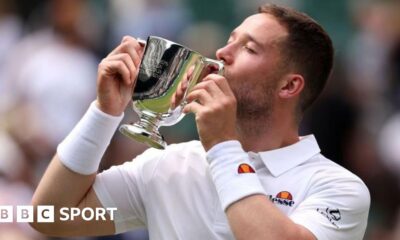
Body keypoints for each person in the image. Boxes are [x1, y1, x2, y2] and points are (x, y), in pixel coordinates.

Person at [30, 4, 370, 240]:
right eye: (230, 40)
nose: (223, 53)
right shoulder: (170, 164)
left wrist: (223, 147)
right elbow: (51, 215)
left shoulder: (339, 188)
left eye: (249, 49)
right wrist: (105, 112)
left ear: (289, 85)